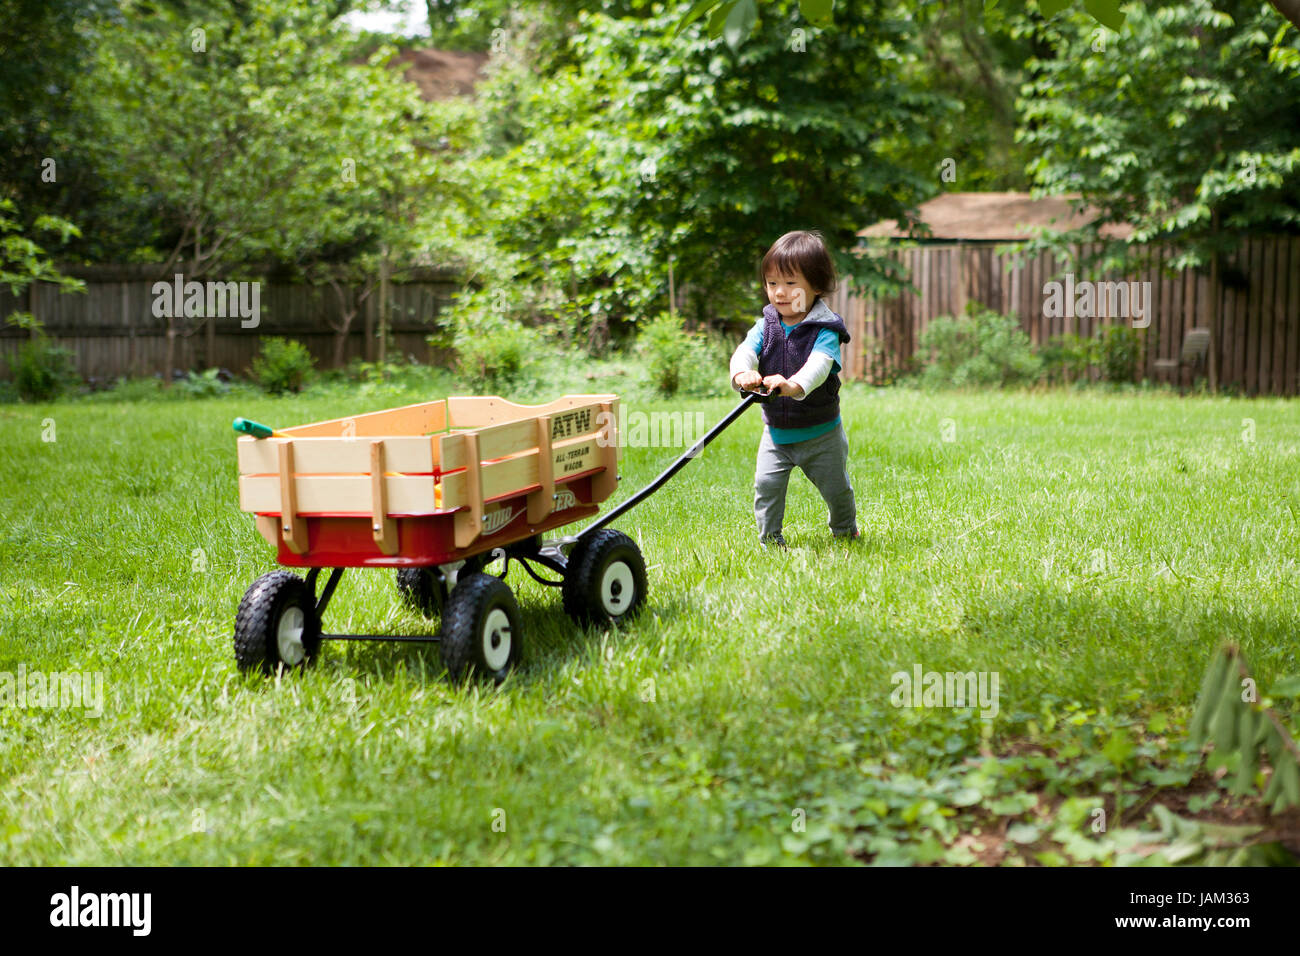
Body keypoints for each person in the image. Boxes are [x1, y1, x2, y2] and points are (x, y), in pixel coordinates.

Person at [729, 230, 858, 548]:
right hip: (777, 435)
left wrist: (791, 385)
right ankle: (770, 540)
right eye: (772, 284)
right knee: (766, 484)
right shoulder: (767, 324)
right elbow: (745, 349)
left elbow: (819, 365)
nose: (779, 293)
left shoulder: (825, 330)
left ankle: (844, 529)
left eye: (790, 284)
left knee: (836, 488)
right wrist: (743, 372)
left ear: (816, 287)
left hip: (822, 434)